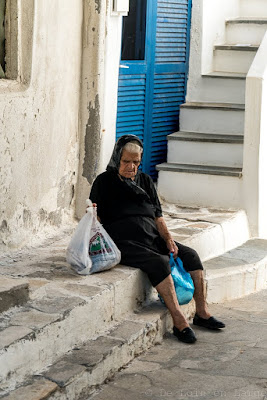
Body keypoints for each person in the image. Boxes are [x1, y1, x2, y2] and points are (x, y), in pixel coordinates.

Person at [89, 134, 225, 344]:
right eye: (126, 161)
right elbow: (94, 216)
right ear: (117, 158)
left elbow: (158, 216)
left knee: (191, 256)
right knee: (158, 262)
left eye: (136, 162)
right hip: (123, 241)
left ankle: (202, 313)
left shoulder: (144, 181)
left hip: (150, 235)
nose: (131, 167)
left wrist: (169, 239)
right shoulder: (104, 181)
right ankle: (179, 320)